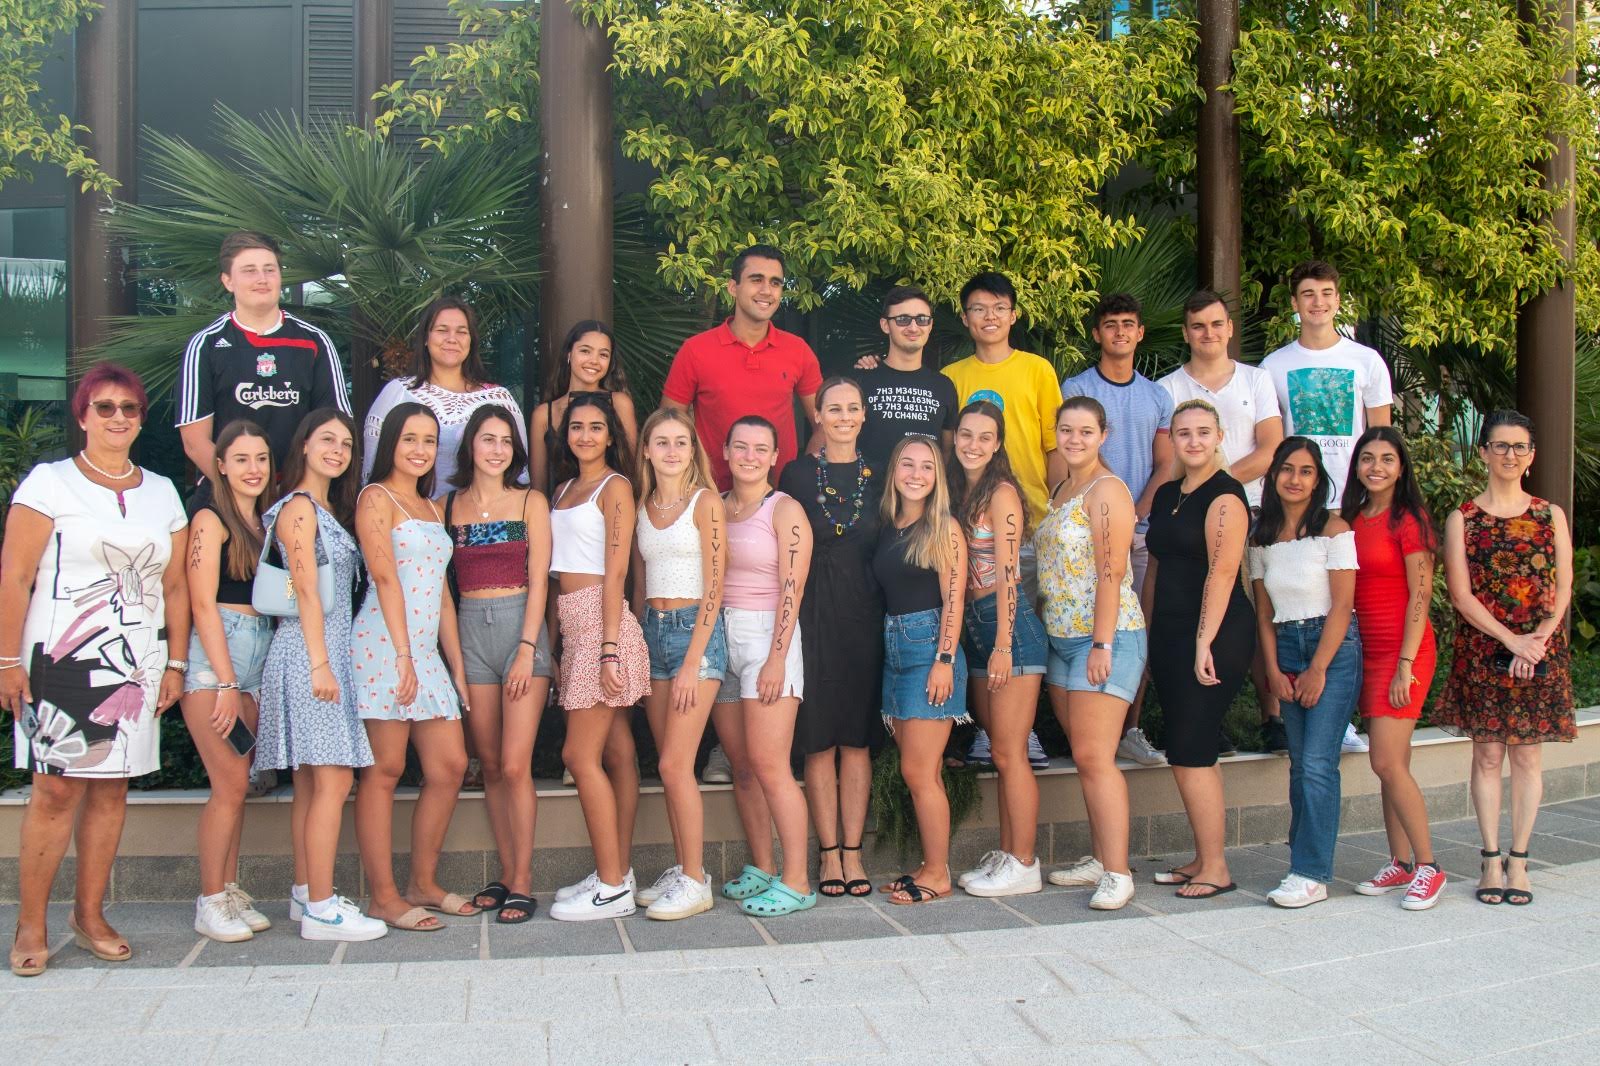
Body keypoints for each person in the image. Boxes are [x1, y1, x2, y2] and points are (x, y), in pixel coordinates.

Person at [3, 366, 189, 976]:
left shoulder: (161, 491)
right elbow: (15, 576)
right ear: (82, 415)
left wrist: (175, 661)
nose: (118, 418)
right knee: (56, 789)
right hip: (59, 656)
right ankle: (32, 922)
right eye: (104, 407)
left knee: (113, 789)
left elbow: (177, 586)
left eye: (130, 408)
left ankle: (90, 915)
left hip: (133, 662)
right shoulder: (48, 483)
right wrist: (6, 659)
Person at [253, 408, 386, 941]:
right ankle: (324, 910)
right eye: (326, 439)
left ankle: (308, 892)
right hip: (311, 653)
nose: (337, 449)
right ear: (303, 445)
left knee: (312, 782)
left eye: (347, 443)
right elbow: (305, 589)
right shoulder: (301, 508)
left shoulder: (326, 507)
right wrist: (319, 663)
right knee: (332, 778)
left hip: (319, 652)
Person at [1439, 410, 1574, 906]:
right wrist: (1510, 641)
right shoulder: (1463, 518)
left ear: (1531, 456)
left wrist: (1536, 639)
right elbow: (1461, 594)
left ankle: (1519, 861)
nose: (1509, 455)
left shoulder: (1548, 514)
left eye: (1519, 447)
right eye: (1499, 446)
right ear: (1482, 452)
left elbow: (1562, 585)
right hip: (1483, 649)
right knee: (1489, 753)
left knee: (1527, 754)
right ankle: (1489, 858)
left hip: (1540, 649)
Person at [351, 403, 477, 931]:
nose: (420, 449)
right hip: (384, 646)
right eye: (409, 439)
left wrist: (457, 668)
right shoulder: (374, 498)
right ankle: (382, 896)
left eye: (428, 440)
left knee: (448, 766)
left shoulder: (429, 506)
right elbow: (384, 579)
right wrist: (403, 654)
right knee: (384, 771)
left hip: (425, 653)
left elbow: (443, 595)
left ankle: (421, 882)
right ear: (390, 444)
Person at [1261, 261, 1391, 757]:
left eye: (1327, 293)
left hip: (1351, 502)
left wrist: (1376, 499)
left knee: (1350, 608)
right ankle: (1282, 717)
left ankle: (1345, 717)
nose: (1317, 302)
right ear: (1295, 304)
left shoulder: (1367, 361)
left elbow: (1380, 436)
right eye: (1308, 293)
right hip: (1298, 503)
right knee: (1294, 606)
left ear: (1338, 300)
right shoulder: (1274, 365)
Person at [1034, 397, 1148, 910]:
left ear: (1104, 435)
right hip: (1060, 639)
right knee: (1084, 757)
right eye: (1066, 430)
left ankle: (1119, 873)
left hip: (1105, 637)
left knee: (1094, 756)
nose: (1074, 439)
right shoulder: (1062, 488)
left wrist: (1101, 643)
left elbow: (1111, 572)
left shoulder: (1107, 491)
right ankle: (1102, 858)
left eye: (1085, 431)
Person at [1159, 290, 1284, 756]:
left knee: (1252, 612)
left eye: (1216, 324)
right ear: (1186, 332)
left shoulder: (1257, 379)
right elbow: (1167, 453)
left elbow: (1271, 447)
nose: (1207, 333)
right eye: (1197, 326)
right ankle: (1212, 718)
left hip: (1250, 512)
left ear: (1229, 328)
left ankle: (1272, 715)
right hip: (1192, 519)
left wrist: (1214, 484)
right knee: (1198, 607)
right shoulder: (1169, 388)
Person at [444, 405, 553, 925]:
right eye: (488, 439)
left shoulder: (531, 500)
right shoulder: (448, 505)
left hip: (520, 630)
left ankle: (525, 879)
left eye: (507, 441)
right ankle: (507, 872)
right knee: (487, 765)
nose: (497, 449)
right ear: (471, 446)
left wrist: (528, 648)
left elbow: (539, 578)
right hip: (469, 629)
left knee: (514, 765)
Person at [546, 393, 652, 921]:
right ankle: (619, 870)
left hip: (602, 625)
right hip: (573, 623)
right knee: (616, 753)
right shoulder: (564, 489)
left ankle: (611, 887)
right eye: (577, 427)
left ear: (612, 435)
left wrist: (608, 646)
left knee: (577, 757)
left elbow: (616, 571)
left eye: (596, 428)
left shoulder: (617, 488)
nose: (586, 435)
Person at [779, 377, 885, 900]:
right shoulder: (796, 475)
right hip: (811, 618)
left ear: (864, 416)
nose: (844, 415)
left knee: (857, 740)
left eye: (853, 408)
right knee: (819, 740)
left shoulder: (881, 473)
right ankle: (827, 855)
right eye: (833, 408)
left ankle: (854, 851)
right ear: (817, 415)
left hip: (867, 619)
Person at [1143, 400, 1254, 899]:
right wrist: (1143, 634)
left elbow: (1223, 572)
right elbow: (1158, 567)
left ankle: (1217, 867)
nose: (1192, 441)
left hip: (1215, 635)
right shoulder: (1168, 494)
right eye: (1183, 433)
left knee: (1193, 747)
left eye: (1202, 432)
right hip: (1168, 632)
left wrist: (1202, 642)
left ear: (1219, 437)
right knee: (1185, 749)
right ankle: (1201, 857)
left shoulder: (1227, 497)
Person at [1060, 292, 1173, 768]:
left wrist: (1135, 510)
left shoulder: (1157, 395)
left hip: (1141, 531)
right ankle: (1091, 728)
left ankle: (1130, 726)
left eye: (1129, 324)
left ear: (1140, 332)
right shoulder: (1076, 387)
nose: (1121, 332)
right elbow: (1072, 453)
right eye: (1111, 324)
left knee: (1135, 629)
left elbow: (1166, 462)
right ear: (1097, 333)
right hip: (1082, 532)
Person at [1249, 438, 1361, 909]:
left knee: (1317, 763)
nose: (1295, 479)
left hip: (1330, 649)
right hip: (1285, 647)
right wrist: (1273, 671)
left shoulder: (1334, 529)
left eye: (1307, 471)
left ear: (1319, 479)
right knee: (1300, 766)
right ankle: (1301, 865)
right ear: (1273, 475)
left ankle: (1312, 874)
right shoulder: (1262, 536)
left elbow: (1342, 605)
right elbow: (1262, 612)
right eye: (1287, 469)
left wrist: (1318, 668)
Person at [715, 416, 817, 917]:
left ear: (775, 456)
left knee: (772, 765)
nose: (750, 455)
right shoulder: (716, 506)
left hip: (766, 638)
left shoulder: (785, 509)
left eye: (761, 448)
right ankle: (762, 866)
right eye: (741, 446)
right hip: (720, 638)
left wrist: (777, 656)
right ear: (727, 450)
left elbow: (793, 589)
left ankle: (797, 880)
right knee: (743, 767)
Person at [629, 408, 729, 920]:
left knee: (673, 764)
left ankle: (695, 880)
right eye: (661, 442)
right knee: (670, 764)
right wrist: (641, 645)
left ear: (694, 451)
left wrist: (694, 661)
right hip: (654, 633)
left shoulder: (706, 502)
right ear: (646, 450)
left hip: (698, 636)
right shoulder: (642, 506)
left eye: (681, 443)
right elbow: (641, 583)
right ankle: (684, 868)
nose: (671, 451)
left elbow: (715, 585)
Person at [181, 420, 277, 943]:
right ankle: (210, 899)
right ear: (220, 464)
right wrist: (223, 681)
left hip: (255, 656)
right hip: (218, 660)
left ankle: (230, 890)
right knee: (230, 784)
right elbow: (201, 603)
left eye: (260, 458)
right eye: (241, 459)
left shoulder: (262, 520)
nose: (253, 469)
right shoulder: (210, 518)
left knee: (238, 785)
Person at [1343, 426, 1446, 911]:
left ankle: (1429, 867)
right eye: (1367, 458)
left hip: (1405, 652)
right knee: (1391, 766)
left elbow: (1421, 598)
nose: (1376, 467)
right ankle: (1400, 863)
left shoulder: (1410, 520)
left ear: (1401, 467)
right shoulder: (1352, 518)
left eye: (1387, 458)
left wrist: (1405, 664)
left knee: (1384, 761)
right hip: (1367, 651)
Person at [947, 402, 1048, 898]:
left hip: (1010, 632)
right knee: (1003, 754)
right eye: (966, 434)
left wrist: (1004, 644)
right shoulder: (966, 490)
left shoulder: (1002, 493)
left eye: (985, 437)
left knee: (1010, 754)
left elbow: (1009, 575)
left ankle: (1024, 862)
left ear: (998, 443)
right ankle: (1010, 855)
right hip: (976, 628)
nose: (973, 444)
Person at [874, 435, 968, 905]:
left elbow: (955, 599)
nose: (915, 473)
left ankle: (938, 872)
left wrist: (944, 660)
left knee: (920, 771)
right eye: (907, 464)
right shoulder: (888, 525)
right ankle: (930, 864)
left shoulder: (944, 527)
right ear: (894, 470)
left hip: (929, 649)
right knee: (916, 770)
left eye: (926, 467)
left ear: (938, 477)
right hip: (893, 650)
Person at [176, 231, 351, 480]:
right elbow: (195, 443)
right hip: (228, 494)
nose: (262, 279)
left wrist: (299, 494)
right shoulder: (206, 345)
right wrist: (242, 493)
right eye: (249, 270)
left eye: (270, 270)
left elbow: (336, 428)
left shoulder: (315, 341)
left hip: (298, 490)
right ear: (227, 281)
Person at [663, 244, 822, 491]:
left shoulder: (797, 350)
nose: (766, 290)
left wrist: (804, 475)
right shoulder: (695, 350)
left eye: (775, 283)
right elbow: (668, 425)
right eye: (756, 280)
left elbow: (824, 424)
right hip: (709, 496)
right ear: (732, 287)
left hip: (779, 499)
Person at [362, 296, 527, 492]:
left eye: (461, 332)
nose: (452, 338)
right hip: (415, 520)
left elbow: (520, 477)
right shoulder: (397, 393)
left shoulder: (500, 400)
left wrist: (514, 522)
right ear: (425, 338)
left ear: (471, 340)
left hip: (489, 521)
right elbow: (372, 475)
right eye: (442, 330)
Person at [848, 284, 959, 468]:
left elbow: (947, 451)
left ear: (930, 325)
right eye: (903, 319)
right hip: (868, 493)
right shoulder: (862, 380)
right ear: (885, 325)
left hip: (923, 492)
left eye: (921, 319)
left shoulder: (944, 386)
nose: (913, 327)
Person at [529, 320, 638, 494]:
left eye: (603, 355)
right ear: (569, 354)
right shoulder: (544, 414)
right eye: (585, 351)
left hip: (613, 511)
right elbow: (538, 488)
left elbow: (633, 470)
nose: (594, 361)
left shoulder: (620, 403)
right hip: (558, 513)